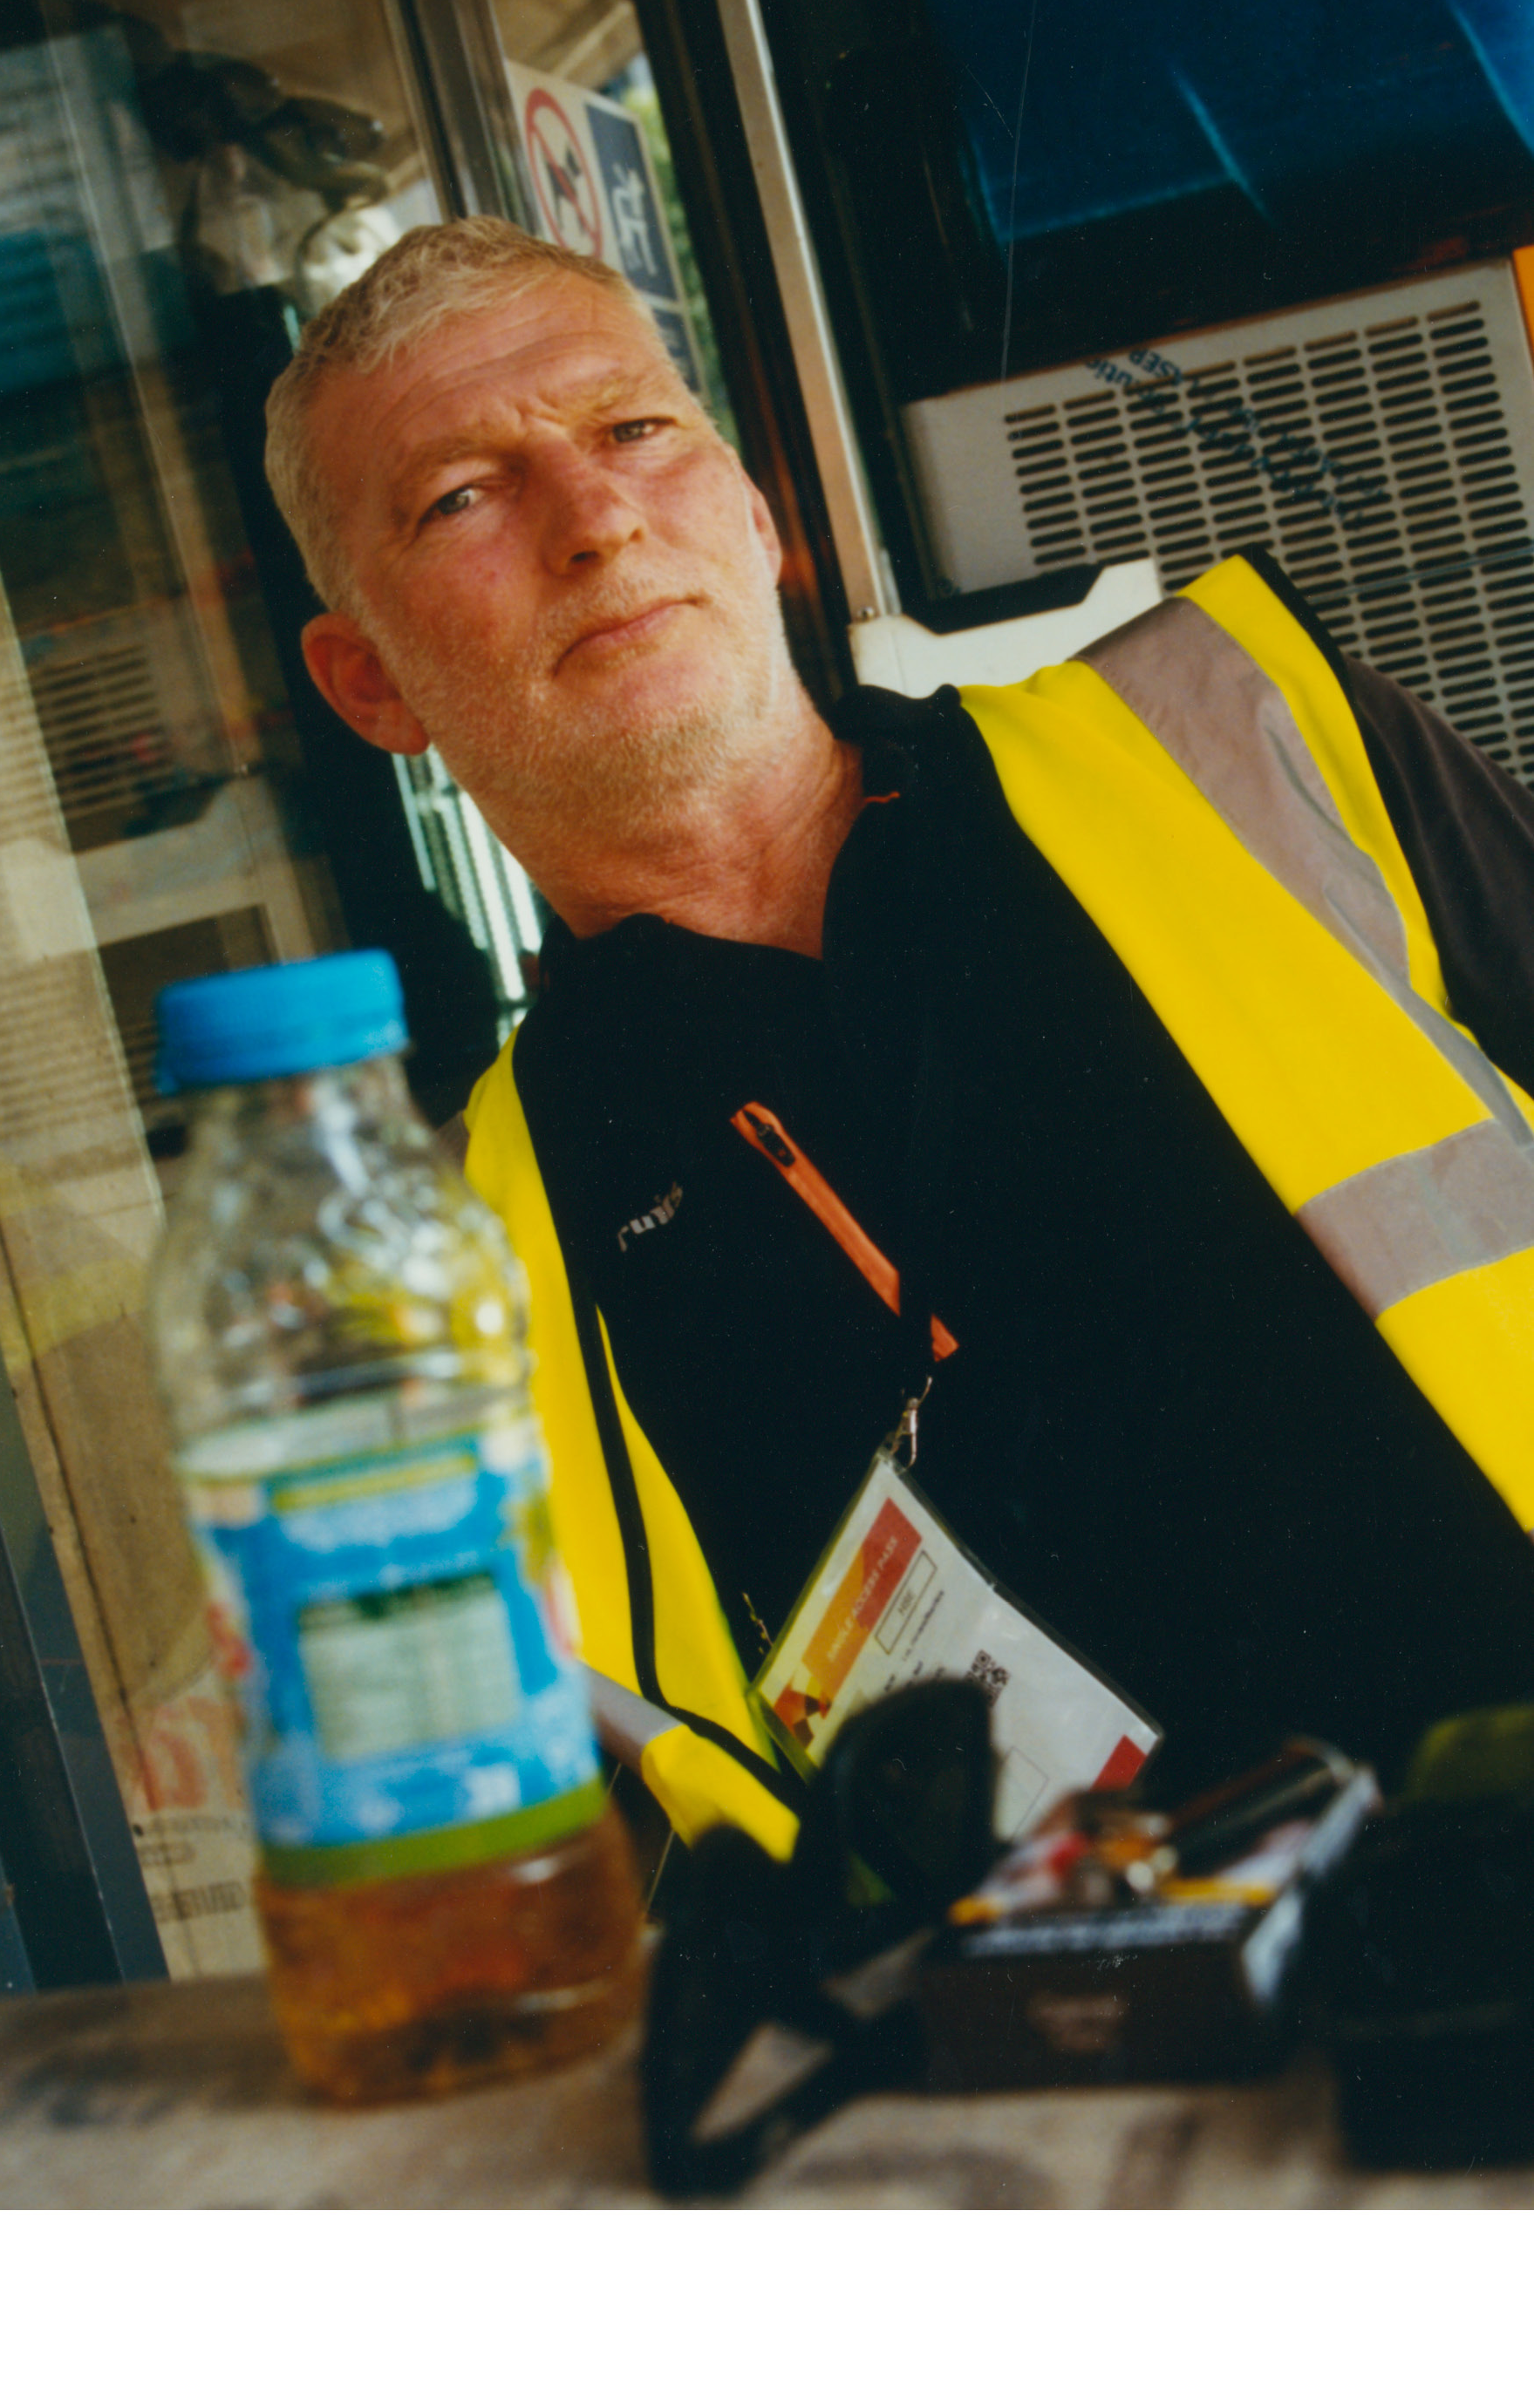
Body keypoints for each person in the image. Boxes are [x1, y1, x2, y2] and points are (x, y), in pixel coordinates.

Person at [269, 215, 1534, 1857]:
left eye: (633, 430)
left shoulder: (1243, 734)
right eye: (460, 496)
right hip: (1109, 2074)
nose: (592, 519)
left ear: (748, 504)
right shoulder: (469, 1253)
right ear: (366, 682)